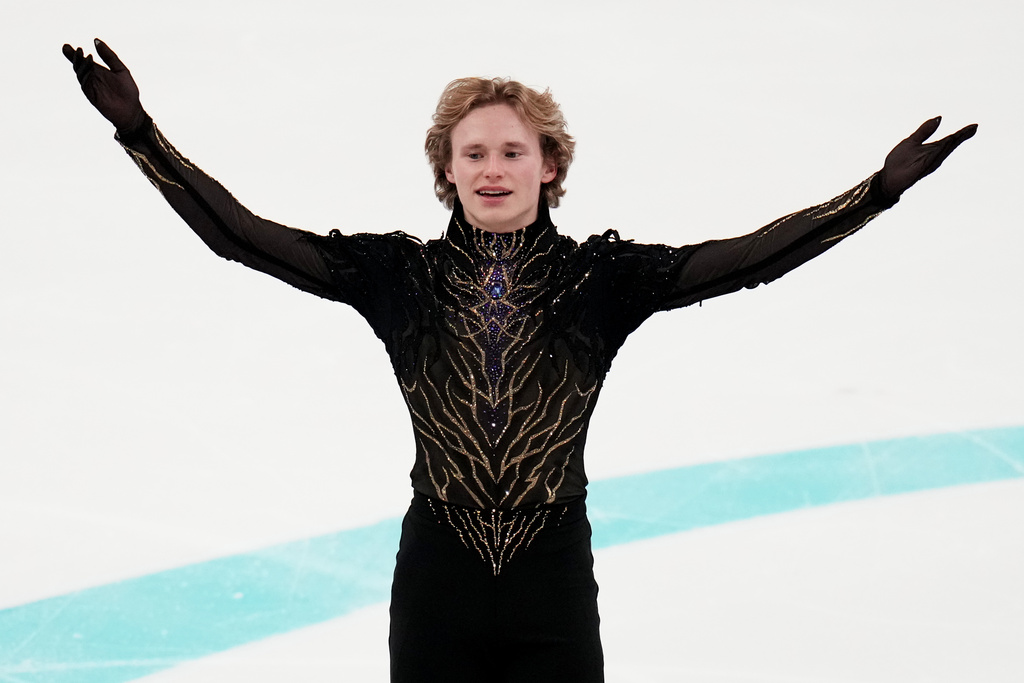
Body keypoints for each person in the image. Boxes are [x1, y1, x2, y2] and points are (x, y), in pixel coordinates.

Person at [62, 38, 977, 682]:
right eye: (473, 153)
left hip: (551, 585)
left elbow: (747, 260)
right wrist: (140, 133)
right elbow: (241, 238)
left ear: (550, 166)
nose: (492, 167)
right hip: (437, 582)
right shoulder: (399, 275)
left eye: (512, 150)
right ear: (446, 171)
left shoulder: (600, 279)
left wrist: (877, 193)